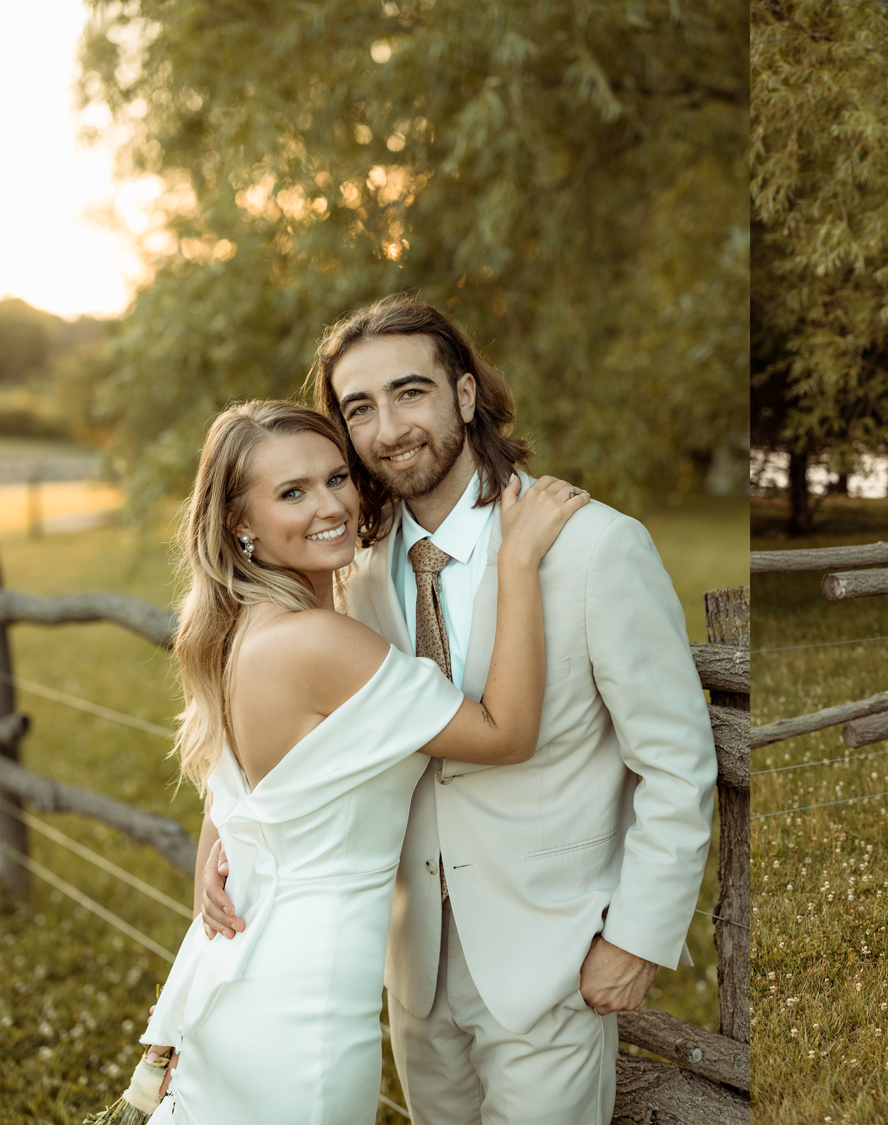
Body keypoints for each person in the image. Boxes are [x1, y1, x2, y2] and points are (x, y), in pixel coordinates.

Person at [199, 296, 719, 1125]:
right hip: (410, 959)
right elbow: (285, 711)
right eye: (359, 408)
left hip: (552, 954)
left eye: (410, 393)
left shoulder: (593, 548)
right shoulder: (352, 564)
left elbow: (677, 758)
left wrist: (638, 935)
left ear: (466, 396)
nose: (387, 428)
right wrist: (225, 822)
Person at [139, 400, 591, 1123]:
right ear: (239, 522)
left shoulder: (238, 631)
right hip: (303, 1017)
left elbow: (237, 794)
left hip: (243, 980)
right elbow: (504, 732)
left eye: (337, 477)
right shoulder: (317, 642)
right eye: (292, 492)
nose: (331, 505)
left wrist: (215, 852)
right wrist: (517, 561)